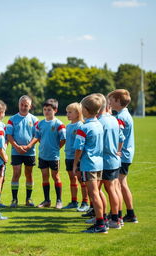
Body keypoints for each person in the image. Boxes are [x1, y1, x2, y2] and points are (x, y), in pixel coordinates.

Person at [73, 94, 107, 233]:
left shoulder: (84, 128)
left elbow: (78, 149)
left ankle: (100, 224)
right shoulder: (99, 124)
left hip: (89, 164)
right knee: (98, 192)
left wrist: (75, 164)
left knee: (93, 194)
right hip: (99, 163)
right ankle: (103, 219)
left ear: (86, 110)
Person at [27, 99, 66, 209]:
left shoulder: (59, 124)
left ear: (55, 110)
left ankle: (59, 201)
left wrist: (57, 148)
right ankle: (47, 200)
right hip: (43, 155)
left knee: (56, 177)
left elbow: (63, 139)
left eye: (49, 110)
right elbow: (38, 137)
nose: (46, 112)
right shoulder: (40, 124)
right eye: (44, 110)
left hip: (54, 156)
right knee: (45, 177)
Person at [108, 89, 138, 223]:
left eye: (111, 99)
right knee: (122, 183)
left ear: (118, 101)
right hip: (126, 153)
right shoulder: (123, 114)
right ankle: (129, 213)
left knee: (118, 184)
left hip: (122, 155)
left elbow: (117, 137)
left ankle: (118, 214)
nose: (109, 102)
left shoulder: (120, 117)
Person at [96, 93, 125, 229]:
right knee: (113, 189)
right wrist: (118, 151)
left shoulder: (100, 122)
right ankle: (117, 217)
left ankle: (111, 219)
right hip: (114, 159)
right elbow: (121, 138)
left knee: (104, 189)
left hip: (105, 161)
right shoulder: (114, 119)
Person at [6, 95, 38, 207]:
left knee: (29, 174)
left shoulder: (34, 119)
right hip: (16, 152)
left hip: (30, 151)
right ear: (18, 105)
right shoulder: (12, 119)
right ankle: (14, 199)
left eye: (26, 105)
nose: (24, 107)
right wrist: (16, 146)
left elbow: (37, 136)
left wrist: (29, 146)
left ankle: (28, 199)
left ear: (30, 106)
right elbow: (9, 135)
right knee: (16, 173)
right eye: (22, 105)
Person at [62, 103, 89, 211]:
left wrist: (78, 158)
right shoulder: (68, 126)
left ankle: (85, 202)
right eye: (67, 112)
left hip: (77, 158)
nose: (67, 114)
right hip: (68, 156)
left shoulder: (80, 125)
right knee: (72, 179)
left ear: (78, 113)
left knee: (81, 180)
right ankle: (74, 201)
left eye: (70, 112)